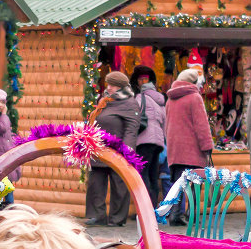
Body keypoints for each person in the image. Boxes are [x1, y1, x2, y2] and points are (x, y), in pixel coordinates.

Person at [86, 71, 140, 227]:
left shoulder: (130, 103)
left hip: (117, 151)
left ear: (121, 87)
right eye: (108, 84)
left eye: (112, 85)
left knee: (119, 185)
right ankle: (97, 215)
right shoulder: (104, 101)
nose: (108, 87)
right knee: (95, 183)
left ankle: (117, 218)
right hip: (98, 148)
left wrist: (126, 151)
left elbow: (131, 129)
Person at [164, 68, 213, 225]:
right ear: (193, 82)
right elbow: (201, 125)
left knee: (178, 183)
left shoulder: (170, 99)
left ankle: (175, 214)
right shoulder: (194, 97)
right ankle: (190, 215)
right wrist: (207, 146)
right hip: (192, 149)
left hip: (176, 150)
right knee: (194, 184)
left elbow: (167, 126)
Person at [132, 65, 166, 207]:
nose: (142, 82)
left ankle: (145, 209)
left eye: (144, 79)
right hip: (157, 142)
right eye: (141, 79)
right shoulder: (160, 100)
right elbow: (165, 121)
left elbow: (134, 118)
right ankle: (152, 207)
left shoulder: (139, 98)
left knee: (143, 173)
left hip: (144, 140)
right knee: (153, 174)